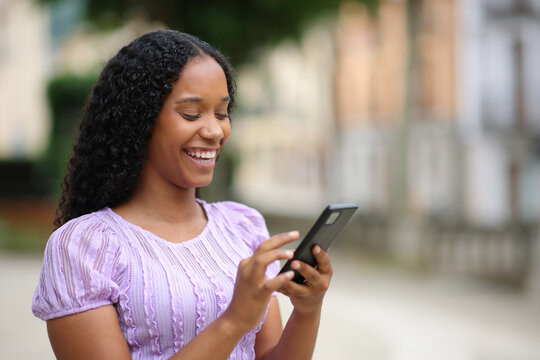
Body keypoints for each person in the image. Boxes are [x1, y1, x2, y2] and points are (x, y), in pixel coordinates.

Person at [32, 30, 333, 360]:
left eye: (222, 113)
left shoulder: (242, 227)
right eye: (191, 114)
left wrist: (307, 310)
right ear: (139, 119)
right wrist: (233, 321)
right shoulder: (85, 247)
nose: (214, 131)